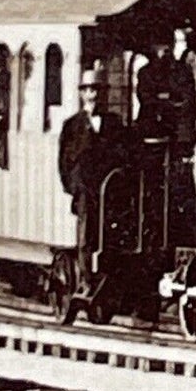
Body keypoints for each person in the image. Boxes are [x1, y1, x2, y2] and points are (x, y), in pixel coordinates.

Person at [58, 69, 126, 291]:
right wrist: (75, 188)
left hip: (110, 188)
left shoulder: (114, 123)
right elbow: (64, 162)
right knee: (87, 235)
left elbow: (123, 154)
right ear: (82, 94)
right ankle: (86, 280)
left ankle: (111, 280)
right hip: (85, 190)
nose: (93, 95)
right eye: (89, 90)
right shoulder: (73, 126)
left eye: (97, 90)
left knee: (113, 233)